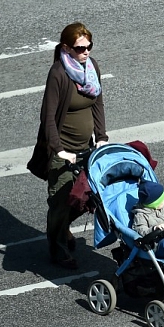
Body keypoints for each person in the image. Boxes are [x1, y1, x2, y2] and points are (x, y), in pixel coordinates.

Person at [27, 22, 108, 269]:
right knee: (61, 202)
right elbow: (48, 116)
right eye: (80, 48)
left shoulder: (91, 67)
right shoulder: (58, 74)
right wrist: (59, 149)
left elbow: (97, 103)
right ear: (66, 47)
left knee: (88, 198)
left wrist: (101, 136)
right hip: (62, 150)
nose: (86, 52)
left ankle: (62, 229)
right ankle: (58, 248)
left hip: (87, 147)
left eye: (89, 46)